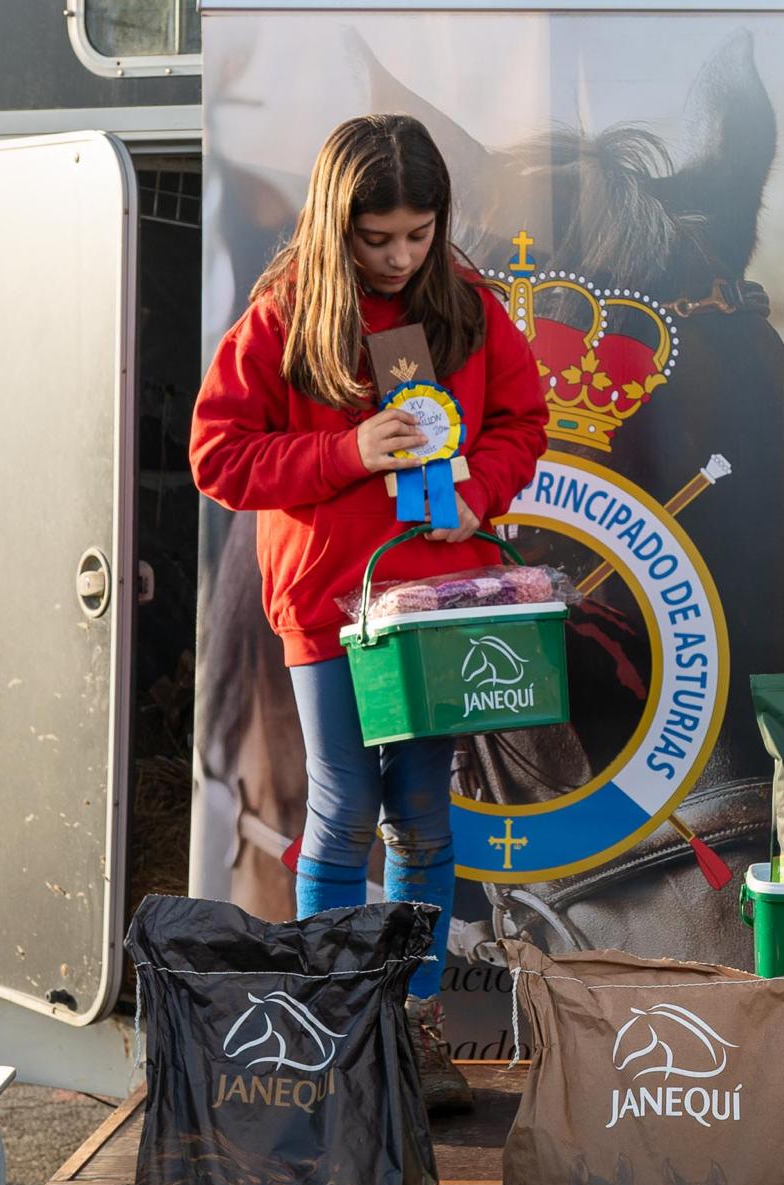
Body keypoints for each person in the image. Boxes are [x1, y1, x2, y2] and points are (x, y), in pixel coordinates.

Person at [190, 114, 548, 1111]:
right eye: (375, 238)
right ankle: (338, 1025)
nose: (398, 258)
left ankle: (417, 1026)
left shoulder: (469, 304)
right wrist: (350, 453)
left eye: (416, 235)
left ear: (440, 223)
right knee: (344, 809)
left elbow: (525, 420)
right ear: (331, 222)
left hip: (434, 602)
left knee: (425, 820)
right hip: (328, 607)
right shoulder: (281, 315)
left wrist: (482, 495)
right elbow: (218, 460)